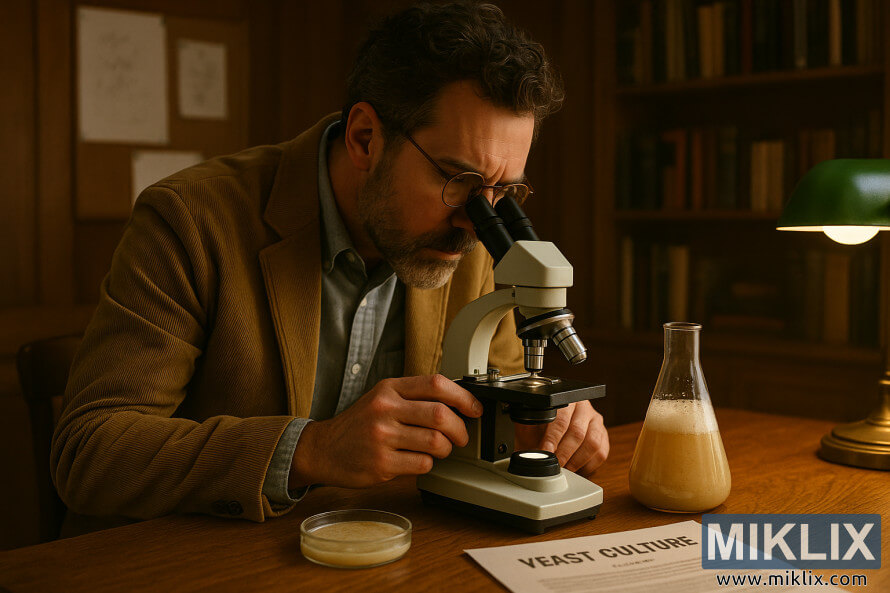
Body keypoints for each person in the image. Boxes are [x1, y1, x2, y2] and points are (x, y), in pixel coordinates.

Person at [51, 1, 609, 532]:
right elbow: (91, 453)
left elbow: (502, 392)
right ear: (366, 137)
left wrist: (552, 426)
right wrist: (311, 448)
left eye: (503, 192)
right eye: (459, 181)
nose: (477, 220)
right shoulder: (192, 222)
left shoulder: (470, 236)